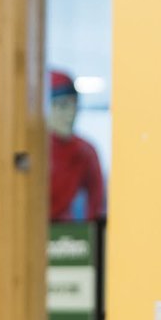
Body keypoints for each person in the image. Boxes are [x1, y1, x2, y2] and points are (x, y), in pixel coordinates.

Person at [49, 70, 106, 221]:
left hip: (69, 236)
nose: (70, 114)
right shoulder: (35, 150)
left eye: (74, 105)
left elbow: (96, 204)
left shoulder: (85, 151)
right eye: (62, 106)